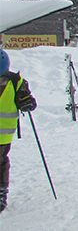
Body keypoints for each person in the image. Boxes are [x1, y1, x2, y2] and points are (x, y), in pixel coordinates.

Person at [0, 49, 37, 213]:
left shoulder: (15, 81)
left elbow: (26, 99)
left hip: (3, 133)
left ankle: (1, 191)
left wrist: (27, 103)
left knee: (0, 161)